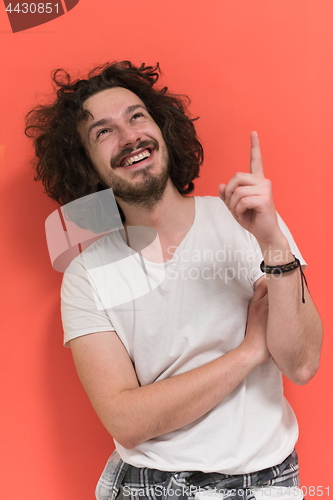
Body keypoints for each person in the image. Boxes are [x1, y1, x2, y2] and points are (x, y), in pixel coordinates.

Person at [25, 61, 322, 500]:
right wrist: (249, 352)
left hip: (269, 483)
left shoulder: (252, 225)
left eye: (136, 116)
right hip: (151, 486)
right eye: (103, 132)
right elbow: (126, 421)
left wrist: (274, 243)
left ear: (162, 128)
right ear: (84, 164)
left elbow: (301, 365)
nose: (129, 137)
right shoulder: (86, 276)